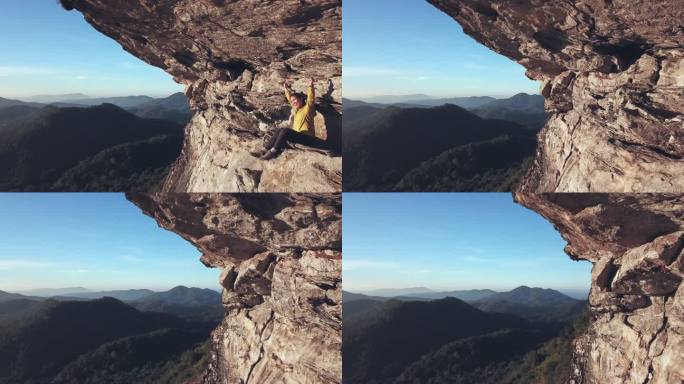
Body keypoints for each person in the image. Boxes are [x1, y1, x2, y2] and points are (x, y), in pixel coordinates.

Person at [255, 78, 329, 160]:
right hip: (298, 137)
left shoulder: (307, 108)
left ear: (301, 99)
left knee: (285, 130)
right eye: (292, 101)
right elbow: (289, 98)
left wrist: (310, 85)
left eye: (295, 100)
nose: (293, 102)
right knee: (280, 129)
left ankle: (273, 151)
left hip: (308, 138)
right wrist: (286, 88)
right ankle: (264, 150)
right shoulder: (296, 110)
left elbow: (310, 98)